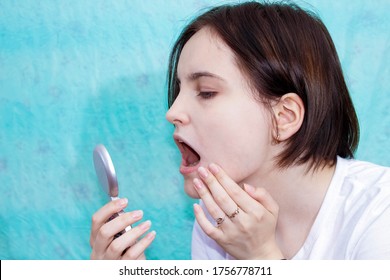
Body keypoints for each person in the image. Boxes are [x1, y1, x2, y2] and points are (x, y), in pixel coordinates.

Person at [89, 1, 390, 260]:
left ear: (284, 116)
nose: (172, 113)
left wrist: (262, 259)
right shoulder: (218, 219)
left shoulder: (379, 211)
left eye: (206, 92)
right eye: (179, 90)